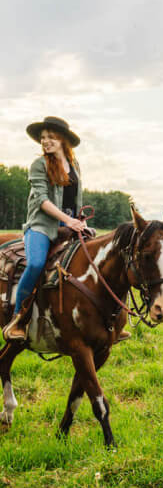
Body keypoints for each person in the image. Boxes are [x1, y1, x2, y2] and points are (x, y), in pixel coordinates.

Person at [2, 116, 86, 341]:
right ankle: (18, 318)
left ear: (63, 140)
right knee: (36, 264)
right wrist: (67, 220)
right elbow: (41, 200)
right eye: (43, 138)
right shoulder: (39, 165)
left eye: (51, 137)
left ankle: (108, 319)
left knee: (100, 255)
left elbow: (75, 198)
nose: (45, 141)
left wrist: (79, 219)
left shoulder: (74, 165)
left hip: (70, 223)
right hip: (42, 225)